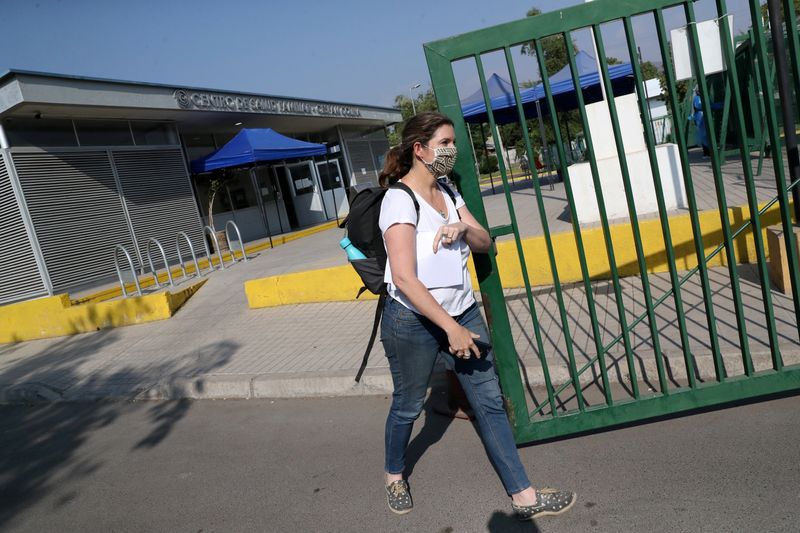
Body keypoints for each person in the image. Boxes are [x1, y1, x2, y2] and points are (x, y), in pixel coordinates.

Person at [377, 111, 576, 520]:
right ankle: (394, 474)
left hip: (461, 313)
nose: (453, 150)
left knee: (488, 401)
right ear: (420, 149)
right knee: (408, 406)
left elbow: (488, 243)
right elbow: (403, 277)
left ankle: (524, 497)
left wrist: (462, 230)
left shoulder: (448, 191)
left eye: (453, 143)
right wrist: (449, 329)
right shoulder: (399, 199)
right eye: (445, 143)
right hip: (412, 321)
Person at [691, 85, 710, 157]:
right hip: (700, 118)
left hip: (702, 118)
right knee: (704, 136)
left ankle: (708, 152)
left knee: (705, 136)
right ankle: (706, 152)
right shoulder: (697, 98)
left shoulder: (701, 98)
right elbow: (698, 105)